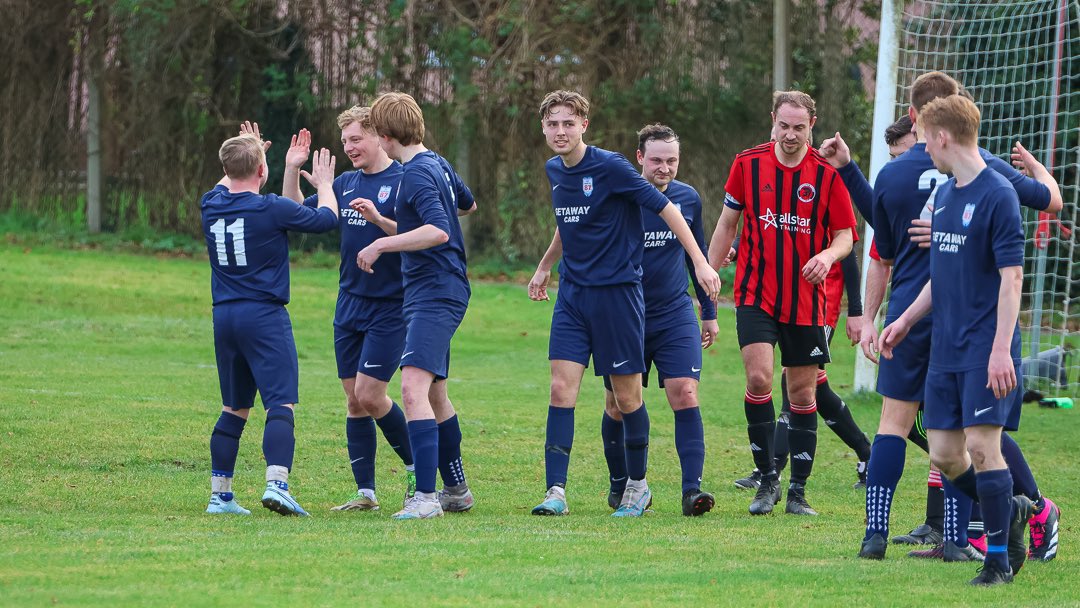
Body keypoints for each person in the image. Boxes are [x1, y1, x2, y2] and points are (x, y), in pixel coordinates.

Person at [821, 72, 1062, 563]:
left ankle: (883, 535)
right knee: (957, 440)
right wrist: (1038, 168)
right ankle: (982, 527)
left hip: (952, 315)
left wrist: (872, 316)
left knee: (922, 427)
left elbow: (880, 246)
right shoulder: (967, 177)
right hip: (940, 311)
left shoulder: (940, 178)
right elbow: (1051, 200)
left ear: (923, 121)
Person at [527, 91, 721, 518]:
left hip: (618, 296)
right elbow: (568, 223)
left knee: (626, 397)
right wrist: (544, 267)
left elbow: (668, 209)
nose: (560, 131)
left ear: (584, 126)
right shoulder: (554, 170)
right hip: (573, 296)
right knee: (561, 388)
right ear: (543, 128)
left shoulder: (611, 167)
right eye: (553, 124)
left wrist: (701, 263)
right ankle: (555, 491)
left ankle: (637, 485)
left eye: (568, 123)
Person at [878, 93, 1035, 586]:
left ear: (941, 136)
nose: (923, 148)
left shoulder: (997, 195)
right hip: (943, 348)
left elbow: (1012, 279)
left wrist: (999, 350)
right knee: (946, 453)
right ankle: (1008, 504)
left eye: (925, 138)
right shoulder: (944, 195)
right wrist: (903, 320)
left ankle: (997, 561)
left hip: (984, 347)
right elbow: (939, 276)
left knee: (985, 448)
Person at [707, 91, 856, 516]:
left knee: (802, 391)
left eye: (799, 127)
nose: (790, 135)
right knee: (758, 379)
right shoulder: (747, 164)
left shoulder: (827, 176)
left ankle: (797, 493)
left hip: (807, 301)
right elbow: (726, 225)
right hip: (755, 295)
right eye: (784, 126)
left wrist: (827, 256)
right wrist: (708, 279)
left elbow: (846, 236)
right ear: (772, 120)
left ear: (812, 125)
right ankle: (767, 480)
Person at [280, 106, 417, 512]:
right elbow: (298, 214)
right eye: (345, 141)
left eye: (356, 139)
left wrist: (378, 222)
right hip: (349, 305)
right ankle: (366, 493)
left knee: (372, 395)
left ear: (379, 136)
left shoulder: (405, 179)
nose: (349, 147)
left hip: (391, 306)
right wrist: (292, 170)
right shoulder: (346, 181)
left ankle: (419, 475)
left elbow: (422, 233)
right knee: (355, 401)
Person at [203, 126, 339, 517]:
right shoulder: (271, 208)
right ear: (262, 172)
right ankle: (277, 484)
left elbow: (227, 179)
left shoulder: (210, 204)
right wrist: (326, 183)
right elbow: (325, 218)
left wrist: (250, 153)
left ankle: (220, 495)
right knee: (281, 402)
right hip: (263, 315)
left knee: (234, 407)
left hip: (224, 316)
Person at [357, 92, 477, 520]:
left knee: (410, 389)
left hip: (435, 292)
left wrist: (382, 243)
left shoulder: (416, 175)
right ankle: (456, 490)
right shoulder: (437, 163)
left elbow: (439, 231)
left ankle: (425, 499)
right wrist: (387, 225)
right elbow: (467, 204)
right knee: (435, 392)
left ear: (387, 137)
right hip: (434, 289)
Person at [596, 124, 718, 517]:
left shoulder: (688, 199)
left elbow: (695, 255)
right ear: (639, 159)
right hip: (624, 313)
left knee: (685, 391)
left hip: (673, 312)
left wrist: (710, 313)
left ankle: (691, 491)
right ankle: (622, 486)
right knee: (617, 403)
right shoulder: (618, 198)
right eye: (657, 160)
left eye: (672, 161)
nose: (665, 168)